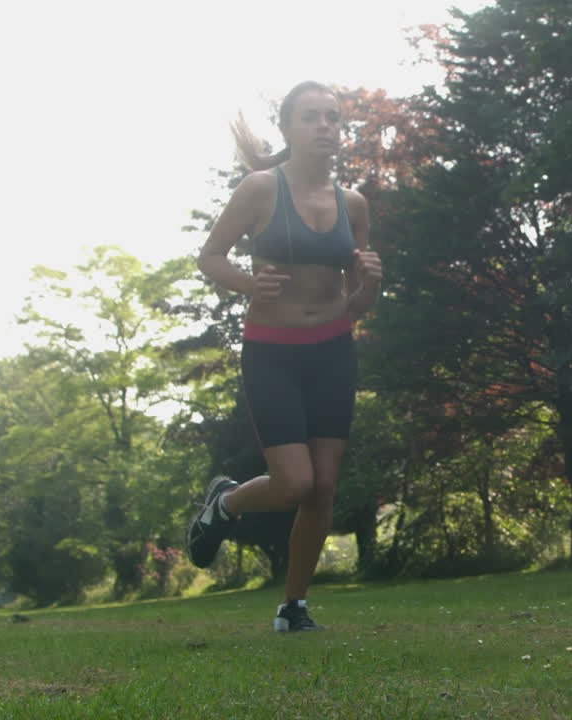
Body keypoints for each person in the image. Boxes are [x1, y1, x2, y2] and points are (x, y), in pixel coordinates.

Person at [185, 80, 383, 632]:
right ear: (289, 128)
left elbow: (358, 304)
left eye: (334, 118)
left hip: (333, 351)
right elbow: (209, 256)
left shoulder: (354, 205)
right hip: (273, 352)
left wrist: (369, 283)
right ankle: (225, 504)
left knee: (323, 486)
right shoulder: (260, 188)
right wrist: (250, 285)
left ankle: (293, 607)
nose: (326, 127)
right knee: (293, 481)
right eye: (312, 117)